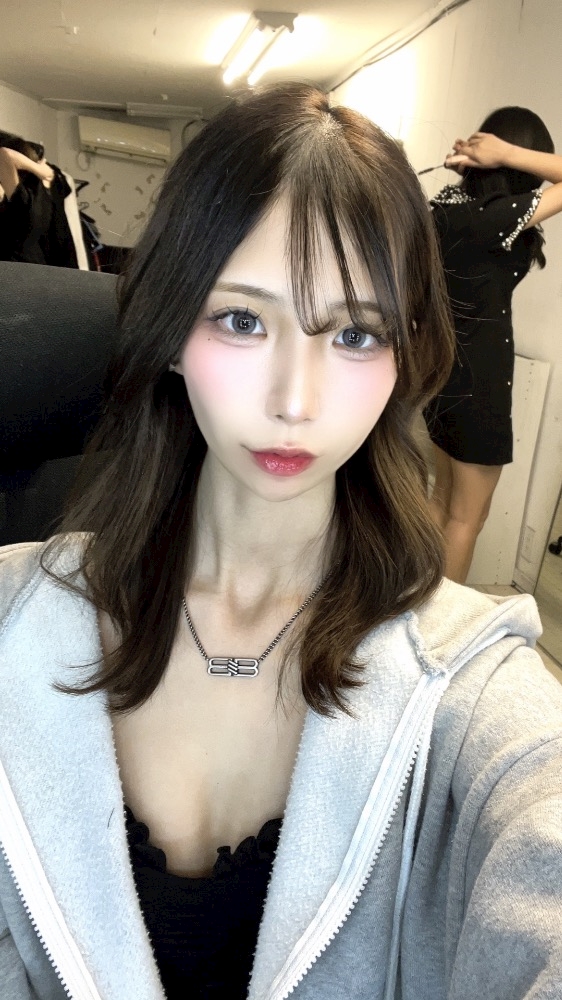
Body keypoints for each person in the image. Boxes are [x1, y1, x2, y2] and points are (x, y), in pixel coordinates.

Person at [0, 84, 561, 1000]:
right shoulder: (13, 618)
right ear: (171, 328)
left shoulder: (465, 680)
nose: (295, 400)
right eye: (242, 320)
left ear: (405, 353)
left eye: (355, 333)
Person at [423, 107, 562, 583]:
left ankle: (412, 606)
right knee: (468, 519)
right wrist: (506, 153)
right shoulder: (495, 218)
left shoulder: (446, 208)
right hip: (480, 383)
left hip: (443, 374)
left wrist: (491, 158)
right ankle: (439, 623)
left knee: (442, 501)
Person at [0, 131, 78, 267]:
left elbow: (4, 154)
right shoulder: (44, 193)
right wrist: (42, 171)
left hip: (14, 269)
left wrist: (39, 170)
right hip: (37, 268)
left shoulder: (22, 199)